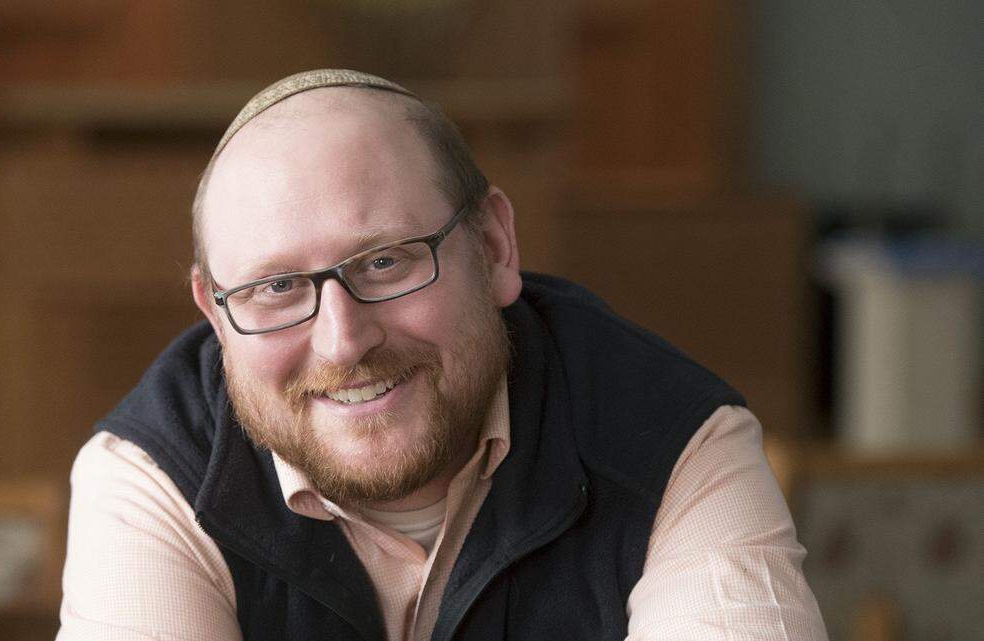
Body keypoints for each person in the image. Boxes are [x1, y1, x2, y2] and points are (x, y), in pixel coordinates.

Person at [56, 69, 826, 641]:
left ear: (493, 247)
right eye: (277, 286)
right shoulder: (152, 472)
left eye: (386, 261)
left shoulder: (675, 442)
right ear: (214, 315)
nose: (343, 339)